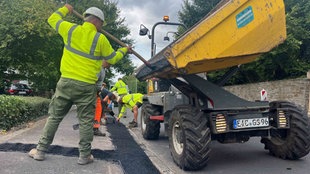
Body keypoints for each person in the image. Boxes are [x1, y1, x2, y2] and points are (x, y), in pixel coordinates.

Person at [28, 4, 131, 165]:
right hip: (87, 87)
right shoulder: (100, 38)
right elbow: (112, 59)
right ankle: (84, 156)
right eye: (102, 24)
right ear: (98, 22)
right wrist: (125, 50)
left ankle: (40, 151)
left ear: (86, 18)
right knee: (85, 121)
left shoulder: (71, 30)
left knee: (54, 117)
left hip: (66, 82)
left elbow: (52, 19)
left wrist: (65, 9)